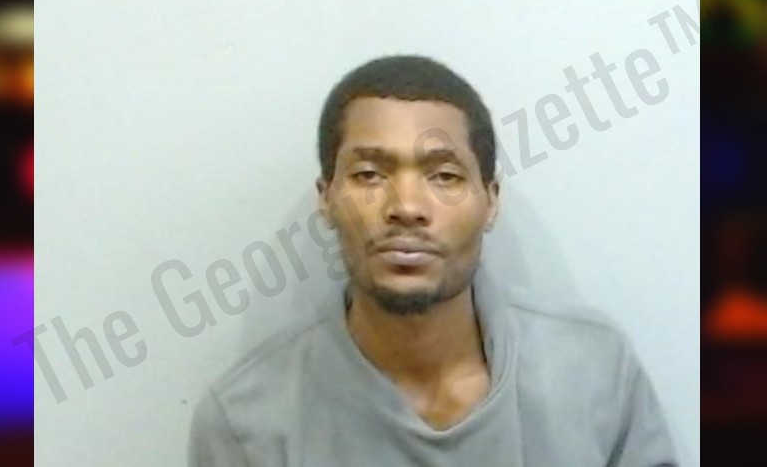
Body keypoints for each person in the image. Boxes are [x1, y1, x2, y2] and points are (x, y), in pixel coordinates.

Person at [188, 55, 678, 466]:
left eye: (444, 176)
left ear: (491, 200)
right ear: (327, 198)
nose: (406, 207)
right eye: (369, 174)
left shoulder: (595, 371)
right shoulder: (246, 422)